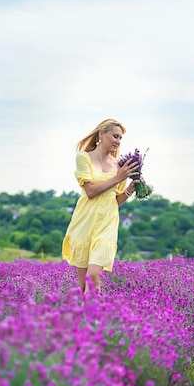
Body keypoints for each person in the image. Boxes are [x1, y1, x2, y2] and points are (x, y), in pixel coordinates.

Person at [62, 118, 139, 293]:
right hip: (84, 223)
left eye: (120, 138)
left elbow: (116, 201)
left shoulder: (119, 166)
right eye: (115, 136)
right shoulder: (84, 158)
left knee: (94, 277)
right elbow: (90, 191)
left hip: (107, 225)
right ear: (101, 134)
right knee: (83, 288)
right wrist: (118, 178)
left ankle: (95, 319)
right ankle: (83, 318)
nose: (118, 141)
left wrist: (129, 190)